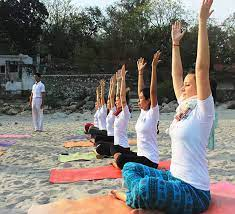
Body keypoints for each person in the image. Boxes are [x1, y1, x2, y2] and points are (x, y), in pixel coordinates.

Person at [111, 1, 215, 213]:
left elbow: (201, 68)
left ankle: (131, 198)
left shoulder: (204, 110)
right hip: (173, 177)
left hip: (193, 190)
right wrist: (175, 45)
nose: (182, 87)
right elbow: (176, 74)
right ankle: (137, 198)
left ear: (200, 89)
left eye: (188, 84)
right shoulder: (184, 106)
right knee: (130, 167)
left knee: (146, 187)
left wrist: (202, 21)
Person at [112, 51, 161, 169]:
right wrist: (140, 72)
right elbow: (141, 90)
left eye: (141, 99)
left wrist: (154, 67)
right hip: (141, 155)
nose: (138, 102)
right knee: (118, 153)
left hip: (150, 160)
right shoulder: (143, 112)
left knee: (121, 159)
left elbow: (153, 92)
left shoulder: (153, 113)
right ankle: (119, 163)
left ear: (149, 100)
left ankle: (119, 164)